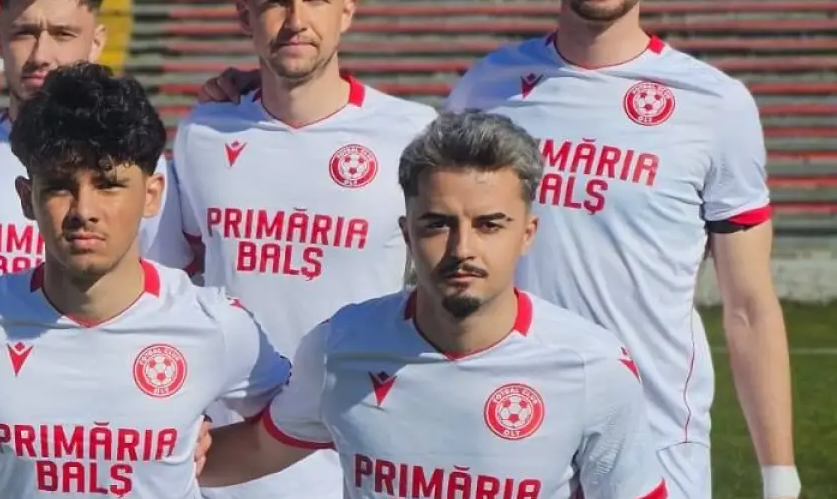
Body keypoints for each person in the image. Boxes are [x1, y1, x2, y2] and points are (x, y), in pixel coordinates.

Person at [188, 0, 798, 499]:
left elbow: (750, 307)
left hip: (655, 430)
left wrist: (779, 477)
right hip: (499, 432)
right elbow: (415, 183)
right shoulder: (488, 87)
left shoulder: (714, 105)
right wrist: (264, 87)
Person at [198, 110, 669, 499]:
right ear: (407, 234)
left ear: (527, 234)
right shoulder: (339, 347)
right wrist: (157, 447)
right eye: (438, 224)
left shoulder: (593, 367)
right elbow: (259, 449)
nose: (462, 248)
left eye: (489, 225)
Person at [0, 63, 290, 498]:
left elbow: (299, 422)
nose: (84, 210)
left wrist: (185, 462)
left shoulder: (217, 323)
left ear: (151, 195)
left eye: (108, 184)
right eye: (60, 186)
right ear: (27, 199)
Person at [0, 0, 201, 499]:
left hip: (101, 453)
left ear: (97, 39)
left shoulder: (143, 167)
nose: (41, 53)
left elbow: (170, 299)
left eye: (63, 34)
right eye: (24, 32)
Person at [169, 0, 436, 499]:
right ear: (246, 13)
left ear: (347, 11)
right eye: (276, 0)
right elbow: (172, 285)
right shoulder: (202, 133)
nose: (296, 19)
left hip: (363, 451)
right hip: (228, 460)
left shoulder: (414, 134)